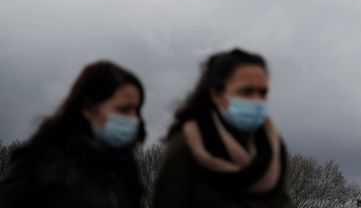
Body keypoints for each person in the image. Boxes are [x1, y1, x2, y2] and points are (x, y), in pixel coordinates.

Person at [153, 48, 292, 208]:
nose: (256, 100)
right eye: (246, 92)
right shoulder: (189, 144)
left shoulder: (272, 143)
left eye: (263, 92)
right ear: (216, 93)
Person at [0, 61, 146, 208]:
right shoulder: (44, 162)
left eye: (137, 110)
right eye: (124, 109)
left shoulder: (124, 167)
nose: (134, 118)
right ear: (88, 108)